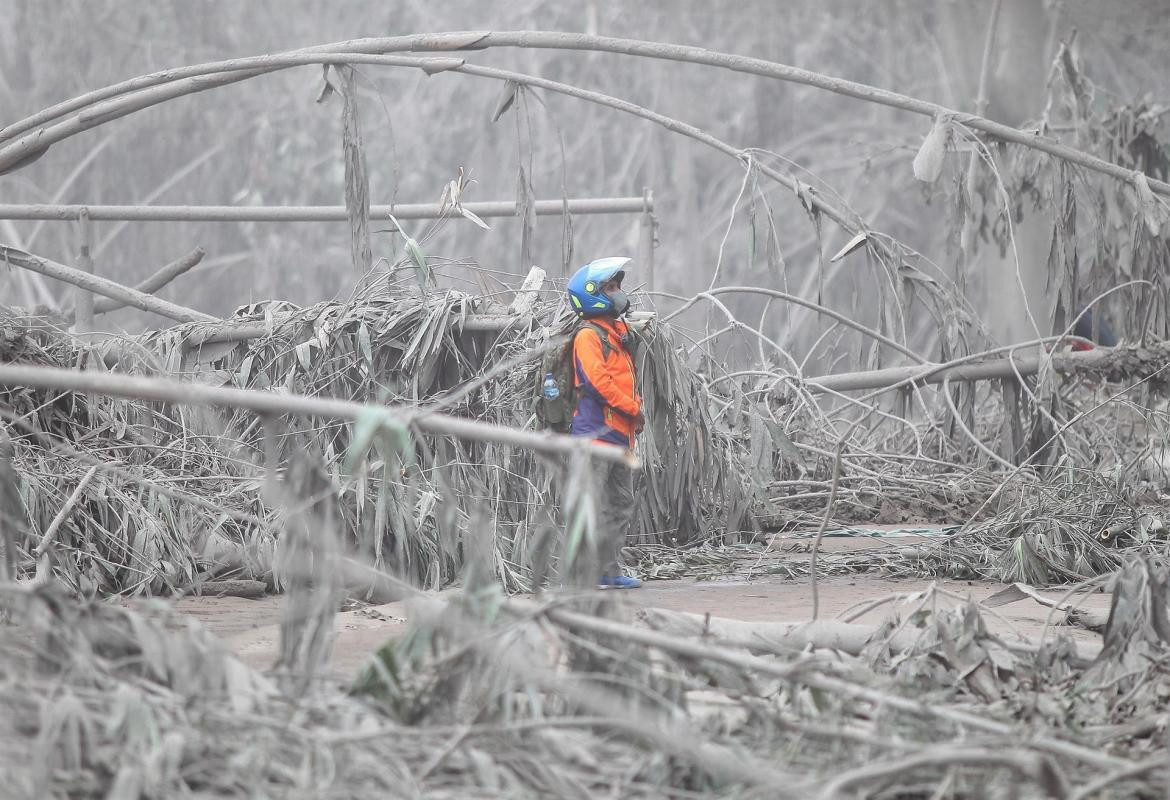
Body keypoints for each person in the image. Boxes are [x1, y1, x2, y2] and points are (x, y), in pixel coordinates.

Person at [565, 256, 644, 589]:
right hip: (595, 437)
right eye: (609, 288)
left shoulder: (616, 331)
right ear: (593, 294)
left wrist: (632, 414)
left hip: (620, 437)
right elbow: (598, 384)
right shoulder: (587, 336)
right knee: (590, 505)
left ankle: (607, 572)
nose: (617, 293)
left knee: (620, 504)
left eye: (616, 287)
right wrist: (633, 408)